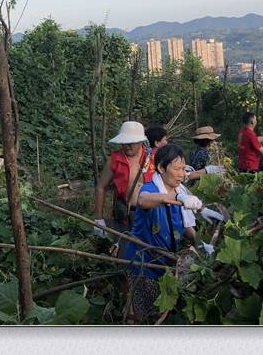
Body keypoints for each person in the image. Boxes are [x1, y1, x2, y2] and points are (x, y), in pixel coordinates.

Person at [123, 144, 223, 322]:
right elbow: (143, 200)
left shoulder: (180, 189)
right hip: (144, 264)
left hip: (167, 263)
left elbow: (184, 226)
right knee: (145, 315)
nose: (182, 173)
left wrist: (201, 244)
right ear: (161, 168)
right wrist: (176, 199)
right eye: (176, 168)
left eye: (184, 168)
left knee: (163, 310)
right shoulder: (150, 189)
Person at [94, 121, 153, 238]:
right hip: (124, 215)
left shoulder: (153, 159)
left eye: (132, 142)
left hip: (150, 214)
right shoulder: (115, 160)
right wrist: (99, 218)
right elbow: (101, 187)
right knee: (124, 250)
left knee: (149, 250)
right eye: (125, 142)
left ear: (141, 141)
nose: (127, 145)